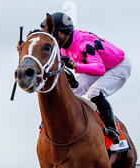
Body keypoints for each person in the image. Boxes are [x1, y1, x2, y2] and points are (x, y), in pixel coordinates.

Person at [40, 12, 130, 144]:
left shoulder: (83, 43)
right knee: (69, 92)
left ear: (60, 34)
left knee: (94, 92)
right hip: (97, 66)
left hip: (117, 66)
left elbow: (99, 68)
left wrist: (74, 65)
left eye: (51, 35)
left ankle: (112, 131)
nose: (49, 39)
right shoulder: (61, 44)